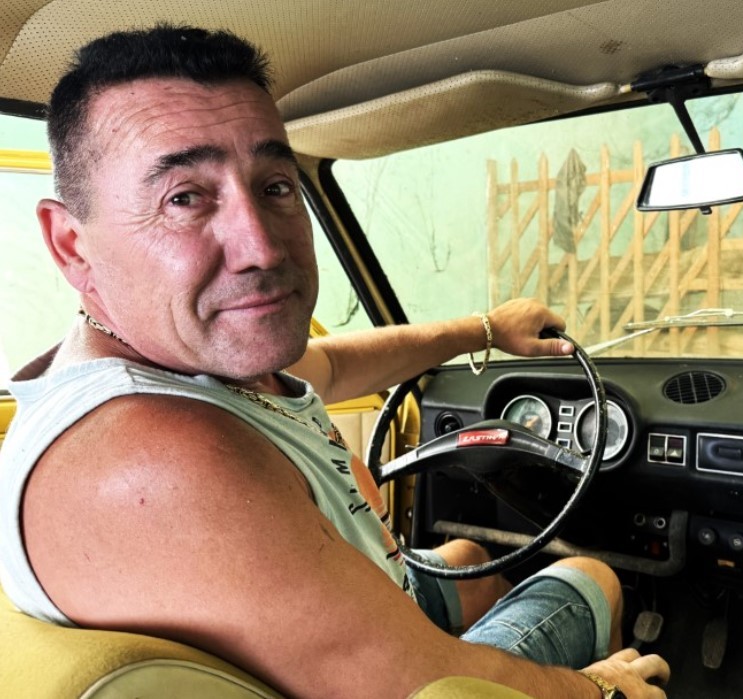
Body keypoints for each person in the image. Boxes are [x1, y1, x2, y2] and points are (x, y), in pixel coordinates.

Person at [0, 25, 670, 698]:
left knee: (470, 558)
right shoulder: (164, 457)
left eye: (275, 186)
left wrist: (484, 329)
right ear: (71, 245)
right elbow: (422, 683)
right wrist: (600, 687)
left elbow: (332, 366)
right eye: (184, 198)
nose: (262, 247)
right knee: (590, 577)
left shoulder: (159, 372)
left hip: (349, 618)